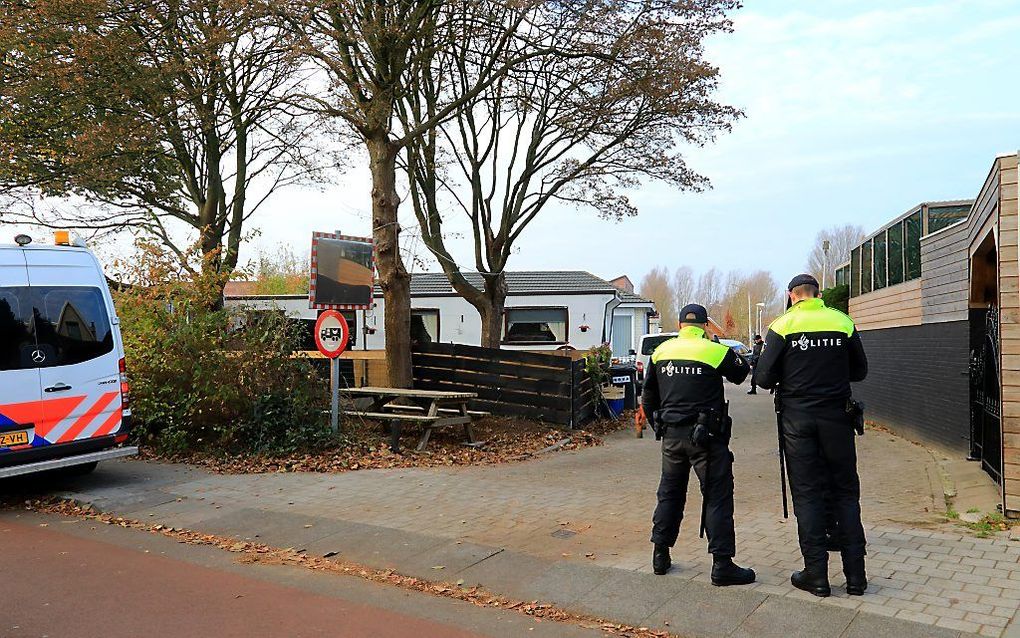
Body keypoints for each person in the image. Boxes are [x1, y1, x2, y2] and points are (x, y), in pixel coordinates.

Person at [754, 274, 869, 598]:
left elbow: (762, 378)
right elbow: (860, 370)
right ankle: (856, 577)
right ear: (818, 294)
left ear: (791, 295)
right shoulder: (842, 322)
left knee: (807, 494)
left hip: (798, 420)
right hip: (838, 418)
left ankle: (816, 576)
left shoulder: (783, 325)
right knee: (846, 493)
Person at [642, 303, 755, 585]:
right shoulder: (714, 351)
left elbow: (648, 398)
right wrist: (716, 344)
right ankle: (722, 564)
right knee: (717, 496)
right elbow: (742, 372)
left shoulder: (661, 352)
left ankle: (660, 555)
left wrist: (662, 429)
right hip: (707, 439)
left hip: (671, 437)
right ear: (705, 326)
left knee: (669, 493)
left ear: (680, 326)